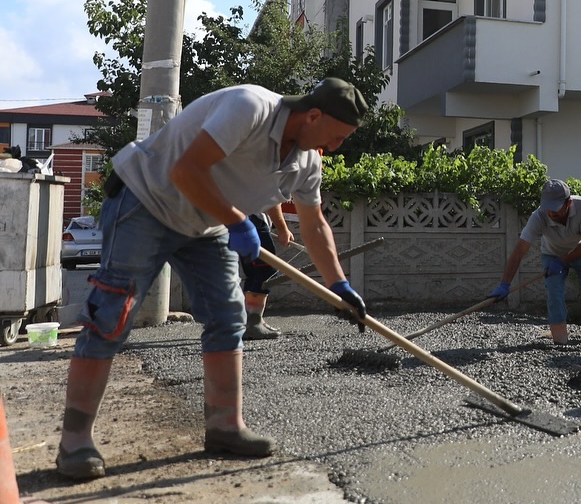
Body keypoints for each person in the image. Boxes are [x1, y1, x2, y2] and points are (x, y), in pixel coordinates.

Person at [56, 78, 371, 481]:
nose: (337, 146)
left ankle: (225, 428)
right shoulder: (249, 107)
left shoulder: (307, 161)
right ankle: (74, 442)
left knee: (228, 316)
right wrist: (237, 220)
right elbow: (185, 169)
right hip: (147, 200)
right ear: (313, 115)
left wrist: (338, 286)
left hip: (205, 224)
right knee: (111, 316)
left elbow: (315, 224)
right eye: (338, 135)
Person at [489, 179, 581, 344]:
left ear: (568, 202)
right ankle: (561, 342)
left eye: (555, 208)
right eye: (548, 207)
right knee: (554, 295)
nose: (550, 212)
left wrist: (564, 260)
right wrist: (505, 283)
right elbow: (518, 251)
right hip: (552, 254)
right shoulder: (539, 216)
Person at [238, 206, 294, 340]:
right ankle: (253, 323)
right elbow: (272, 201)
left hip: (243, 220)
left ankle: (252, 321)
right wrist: (282, 229)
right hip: (252, 220)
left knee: (253, 272)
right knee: (265, 271)